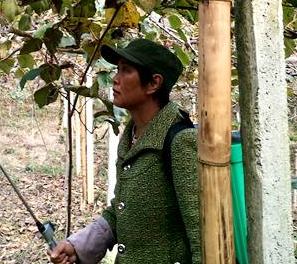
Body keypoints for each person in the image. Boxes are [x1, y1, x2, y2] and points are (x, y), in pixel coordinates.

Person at [49, 38, 201, 264]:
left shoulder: (179, 141)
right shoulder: (131, 138)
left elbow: (200, 232)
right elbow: (122, 209)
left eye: (126, 71)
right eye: (117, 69)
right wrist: (78, 246)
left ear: (153, 84)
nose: (115, 79)